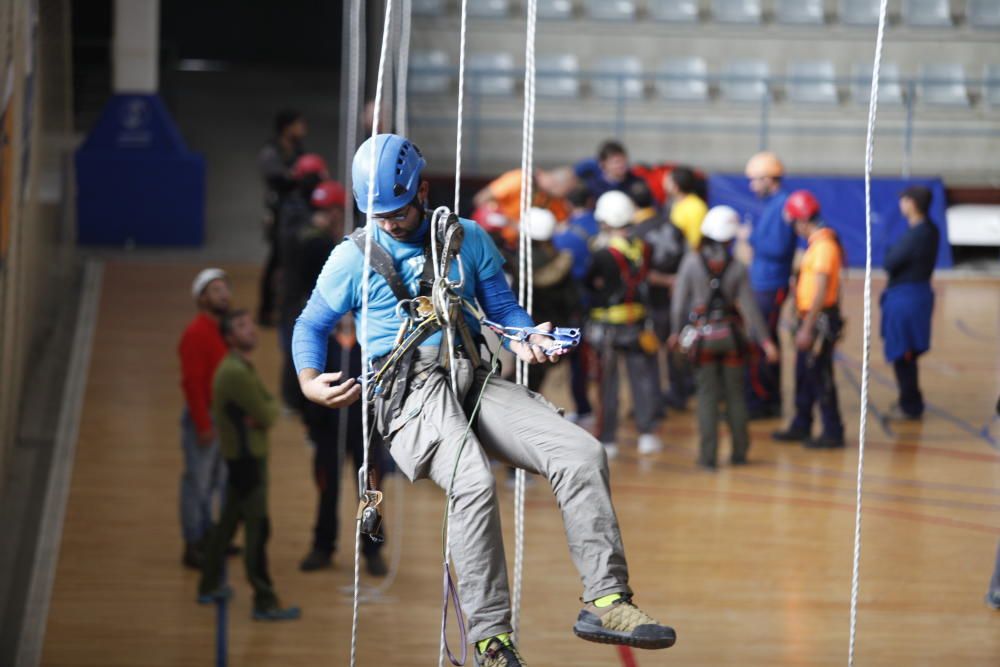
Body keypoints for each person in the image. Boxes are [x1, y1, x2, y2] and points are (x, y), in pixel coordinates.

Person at [293, 133, 676, 665]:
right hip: (409, 393)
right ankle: (492, 640)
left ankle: (606, 599)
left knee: (581, 454)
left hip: (470, 376)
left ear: (422, 191)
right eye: (376, 214)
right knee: (472, 479)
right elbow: (311, 323)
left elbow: (501, 306)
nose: (389, 222)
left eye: (398, 211)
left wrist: (526, 335)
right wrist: (310, 379)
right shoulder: (350, 258)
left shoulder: (466, 239)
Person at [283, 180, 388, 575]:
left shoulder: (369, 337)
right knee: (327, 488)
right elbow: (303, 368)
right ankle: (323, 545)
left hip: (366, 427)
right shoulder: (322, 340)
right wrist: (311, 418)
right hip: (328, 425)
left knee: (371, 492)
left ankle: (373, 550)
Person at [198, 309, 301, 621]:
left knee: (227, 525)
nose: (251, 330)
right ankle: (264, 600)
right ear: (230, 337)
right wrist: (261, 414)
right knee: (258, 532)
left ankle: (208, 584)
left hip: (240, 459)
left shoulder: (239, 367)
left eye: (250, 324)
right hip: (248, 462)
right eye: (242, 326)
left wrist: (261, 411)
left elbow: (266, 406)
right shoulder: (235, 373)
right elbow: (269, 412)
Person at [671, 206, 778, 468]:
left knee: (707, 397)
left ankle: (708, 458)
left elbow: (678, 303)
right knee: (735, 396)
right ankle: (739, 453)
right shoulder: (737, 267)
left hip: (702, 339)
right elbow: (750, 309)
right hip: (732, 338)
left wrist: (675, 333)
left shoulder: (691, 262)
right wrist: (766, 342)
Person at [585, 190, 663, 458]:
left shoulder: (602, 254)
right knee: (641, 380)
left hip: (607, 327)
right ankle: (647, 433)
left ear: (605, 221)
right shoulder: (643, 248)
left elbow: (590, 285)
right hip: (637, 322)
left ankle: (608, 439)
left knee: (608, 385)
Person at [772, 191, 846, 449]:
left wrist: (807, 327)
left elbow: (823, 290)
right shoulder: (816, 245)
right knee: (804, 373)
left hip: (818, 321)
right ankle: (801, 423)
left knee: (820, 375)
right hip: (811, 318)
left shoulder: (824, 247)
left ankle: (832, 430)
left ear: (802, 220)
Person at [177, 268, 231, 569]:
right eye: (216, 290)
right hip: (206, 419)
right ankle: (193, 541)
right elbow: (192, 383)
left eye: (225, 289)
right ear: (202, 298)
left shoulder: (224, 332)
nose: (223, 295)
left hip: (223, 419)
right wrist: (203, 423)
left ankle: (210, 534)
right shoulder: (196, 333)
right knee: (197, 482)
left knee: (216, 481)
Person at [628, 179, 690, 411]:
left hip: (652, 301)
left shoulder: (635, 233)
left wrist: (665, 281)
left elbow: (639, 273)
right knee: (676, 345)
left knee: (651, 351)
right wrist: (677, 281)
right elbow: (687, 260)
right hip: (678, 297)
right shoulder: (673, 225)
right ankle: (679, 394)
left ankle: (653, 402)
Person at [881, 185, 940, 421]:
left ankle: (911, 404)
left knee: (904, 352)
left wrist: (890, 253)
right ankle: (910, 399)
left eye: (904, 201)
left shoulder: (918, 234)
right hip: (913, 295)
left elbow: (891, 261)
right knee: (905, 352)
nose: (901, 205)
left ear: (912, 204)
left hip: (907, 298)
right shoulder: (929, 230)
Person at [744, 151, 796, 420]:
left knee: (762, 341)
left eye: (755, 180)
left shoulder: (782, 206)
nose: (752, 186)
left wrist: (750, 238)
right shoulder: (773, 205)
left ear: (768, 178)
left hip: (770, 284)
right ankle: (765, 396)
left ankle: (763, 399)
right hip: (763, 282)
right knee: (765, 339)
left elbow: (778, 247)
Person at [552, 185, 597, 426]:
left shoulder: (563, 236)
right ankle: (585, 406)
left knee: (567, 356)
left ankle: (572, 406)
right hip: (595, 302)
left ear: (569, 204)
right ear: (590, 201)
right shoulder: (600, 227)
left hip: (569, 303)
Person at [257, 110, 307, 326]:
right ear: (287, 128)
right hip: (279, 215)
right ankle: (265, 310)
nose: (303, 129)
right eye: (298, 124)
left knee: (290, 261)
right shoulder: (272, 151)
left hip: (295, 214)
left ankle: (287, 306)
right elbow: (276, 178)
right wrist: (297, 176)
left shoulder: (297, 149)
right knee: (276, 260)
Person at [472, 167, 574, 249]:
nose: (565, 198)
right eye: (566, 192)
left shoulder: (555, 200)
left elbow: (562, 225)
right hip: (493, 240)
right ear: (556, 184)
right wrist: (501, 219)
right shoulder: (520, 180)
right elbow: (480, 199)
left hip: (522, 248)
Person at [573, 139, 646, 200]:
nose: (621, 165)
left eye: (623, 161)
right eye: (616, 162)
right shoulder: (592, 187)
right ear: (602, 164)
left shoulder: (636, 183)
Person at [664, 166, 708, 250]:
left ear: (675, 187)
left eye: (668, 181)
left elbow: (695, 242)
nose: (664, 183)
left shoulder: (696, 207)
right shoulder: (674, 203)